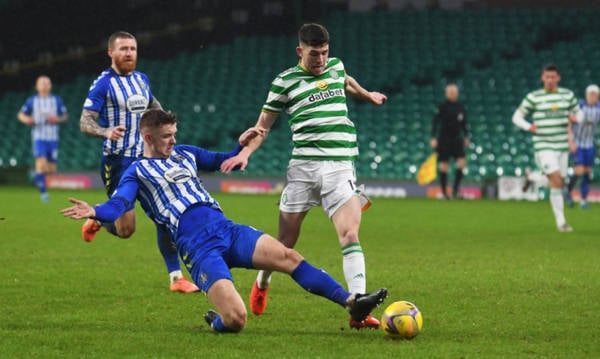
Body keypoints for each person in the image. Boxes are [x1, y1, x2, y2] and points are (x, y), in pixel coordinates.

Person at [60, 109, 387, 333]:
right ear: (147, 138)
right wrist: (95, 212)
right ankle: (216, 320)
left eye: (175, 134)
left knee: (289, 257)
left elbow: (220, 160)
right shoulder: (137, 172)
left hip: (225, 228)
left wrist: (240, 145)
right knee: (236, 320)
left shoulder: (184, 153)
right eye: (166, 136)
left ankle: (351, 303)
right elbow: (119, 205)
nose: (173, 140)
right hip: (196, 247)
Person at [220, 23, 388, 329]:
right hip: (303, 169)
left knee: (350, 234)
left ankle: (358, 308)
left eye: (324, 53)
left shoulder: (336, 67)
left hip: (341, 168)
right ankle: (263, 281)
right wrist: (244, 153)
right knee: (285, 242)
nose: (321, 60)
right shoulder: (284, 82)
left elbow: (347, 82)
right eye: (314, 54)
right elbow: (263, 127)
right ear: (300, 51)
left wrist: (368, 95)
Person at [78, 31, 198, 293]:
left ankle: (176, 278)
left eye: (132, 48)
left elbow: (154, 108)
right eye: (123, 49)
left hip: (147, 159)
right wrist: (105, 131)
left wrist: (167, 127)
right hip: (118, 161)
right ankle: (100, 218)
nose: (129, 53)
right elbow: (85, 120)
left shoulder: (142, 80)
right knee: (126, 230)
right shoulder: (103, 84)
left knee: (164, 215)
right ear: (111, 53)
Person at [512, 64, 579, 232]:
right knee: (556, 179)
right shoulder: (534, 97)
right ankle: (561, 222)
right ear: (542, 78)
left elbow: (580, 113)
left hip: (562, 146)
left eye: (553, 77)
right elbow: (516, 116)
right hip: (544, 146)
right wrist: (528, 127)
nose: (550, 80)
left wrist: (576, 118)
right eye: (547, 77)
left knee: (559, 182)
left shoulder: (567, 95)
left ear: (558, 78)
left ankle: (534, 177)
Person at [17, 75, 68, 202]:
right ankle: (44, 194)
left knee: (50, 169)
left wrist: (57, 119)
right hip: (39, 137)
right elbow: (21, 114)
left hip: (53, 138)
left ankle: (36, 175)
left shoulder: (56, 100)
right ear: (37, 86)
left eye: (47, 83)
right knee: (41, 163)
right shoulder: (32, 101)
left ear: (50, 86)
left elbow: (64, 116)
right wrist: (27, 119)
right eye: (42, 83)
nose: (45, 85)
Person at [429, 84, 469, 199]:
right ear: (446, 94)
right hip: (444, 139)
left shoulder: (461, 107)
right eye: (450, 92)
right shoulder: (442, 106)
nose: (452, 94)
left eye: (454, 92)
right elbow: (435, 122)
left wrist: (466, 136)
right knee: (444, 166)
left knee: (461, 163)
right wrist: (433, 137)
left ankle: (455, 191)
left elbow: (464, 124)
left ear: (457, 93)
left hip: (457, 139)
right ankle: (444, 193)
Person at [566, 84, 600, 208]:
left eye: (595, 94)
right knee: (579, 170)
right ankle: (567, 191)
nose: (592, 96)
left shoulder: (599, 109)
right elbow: (568, 122)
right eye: (590, 94)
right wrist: (570, 140)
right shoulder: (579, 106)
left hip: (589, 145)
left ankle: (584, 200)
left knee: (587, 172)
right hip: (578, 144)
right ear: (586, 95)